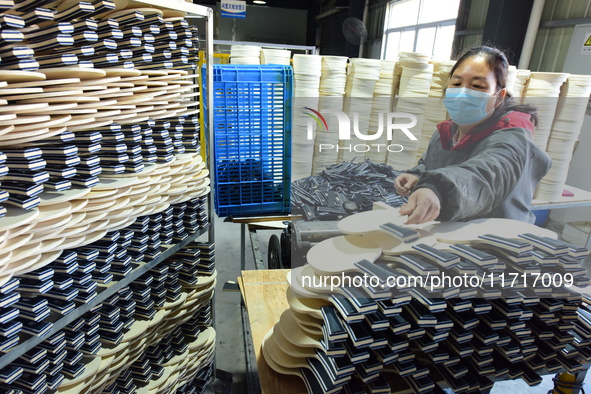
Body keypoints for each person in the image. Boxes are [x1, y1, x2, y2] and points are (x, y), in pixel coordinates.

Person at [394, 46, 551, 225]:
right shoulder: (447, 133)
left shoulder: (512, 139)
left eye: (477, 86)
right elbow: (434, 164)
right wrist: (418, 176)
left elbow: (483, 176)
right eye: (457, 83)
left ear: (499, 96)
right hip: (451, 234)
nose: (462, 92)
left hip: (496, 241)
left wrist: (436, 189)